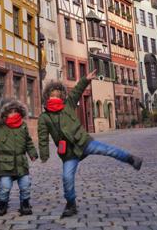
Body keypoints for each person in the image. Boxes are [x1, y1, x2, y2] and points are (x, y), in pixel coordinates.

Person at [38, 69, 143, 218]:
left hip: (83, 142)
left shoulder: (68, 104)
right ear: (47, 97)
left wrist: (86, 79)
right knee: (67, 178)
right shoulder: (44, 117)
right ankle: (71, 204)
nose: (55, 97)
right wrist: (44, 155)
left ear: (61, 96)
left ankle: (131, 159)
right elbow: (42, 137)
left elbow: (77, 90)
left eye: (57, 95)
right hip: (69, 153)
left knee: (108, 150)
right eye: (52, 95)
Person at [0, 97, 38, 216]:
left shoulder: (23, 126)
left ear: (19, 112)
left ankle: (25, 204)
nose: (13, 113)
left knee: (25, 185)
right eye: (10, 111)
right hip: (5, 164)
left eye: (15, 111)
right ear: (5, 113)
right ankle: (2, 205)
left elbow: (28, 141)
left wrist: (32, 153)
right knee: (5, 186)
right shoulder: (0, 126)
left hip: (21, 163)